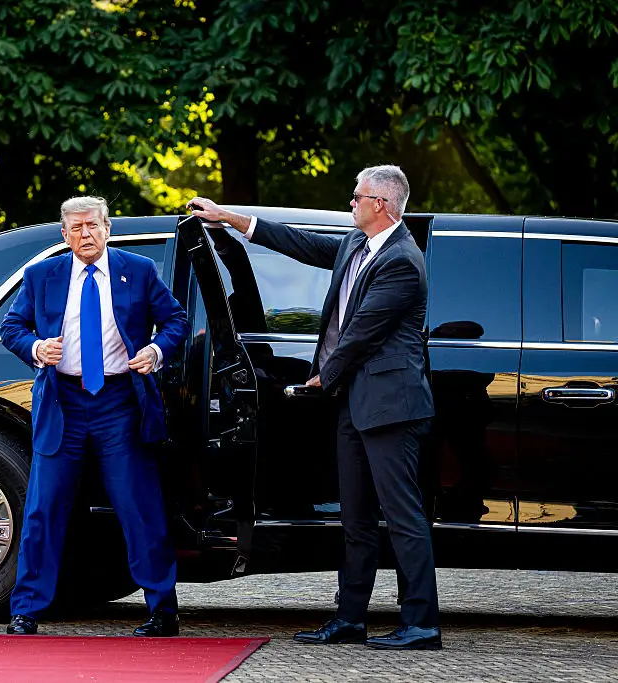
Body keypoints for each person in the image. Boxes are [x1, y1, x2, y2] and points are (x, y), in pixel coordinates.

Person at [188, 164, 441, 650]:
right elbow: (300, 243)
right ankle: (350, 619)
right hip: (355, 404)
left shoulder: (403, 261)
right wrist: (231, 218)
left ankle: (421, 624)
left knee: (403, 518)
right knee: (356, 518)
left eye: (356, 195)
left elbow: (363, 331)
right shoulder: (355, 246)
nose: (350, 202)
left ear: (381, 205)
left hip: (391, 407)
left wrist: (320, 378)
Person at [0, 196, 190, 636]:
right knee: (43, 507)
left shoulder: (138, 270)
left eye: (93, 226)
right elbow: (12, 328)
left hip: (119, 402)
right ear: (63, 234)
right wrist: (34, 348)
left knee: (138, 505)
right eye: (76, 228)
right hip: (62, 401)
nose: (85, 235)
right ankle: (26, 609)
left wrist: (156, 350)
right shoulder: (41, 274)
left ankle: (163, 610)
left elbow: (176, 320)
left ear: (108, 229)